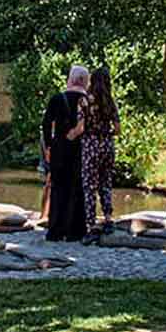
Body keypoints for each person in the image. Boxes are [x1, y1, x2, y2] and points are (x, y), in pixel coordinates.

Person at [42, 65, 89, 242]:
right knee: (77, 189)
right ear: (85, 81)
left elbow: (46, 124)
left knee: (58, 188)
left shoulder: (57, 98)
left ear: (70, 79)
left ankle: (55, 229)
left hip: (59, 148)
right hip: (80, 149)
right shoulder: (87, 101)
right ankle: (74, 231)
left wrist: (48, 147)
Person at [80, 67, 120, 244]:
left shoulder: (85, 102)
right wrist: (107, 132)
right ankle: (109, 218)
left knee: (89, 185)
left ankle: (90, 225)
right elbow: (118, 130)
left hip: (90, 145)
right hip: (107, 145)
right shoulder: (110, 102)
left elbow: (80, 126)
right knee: (105, 182)